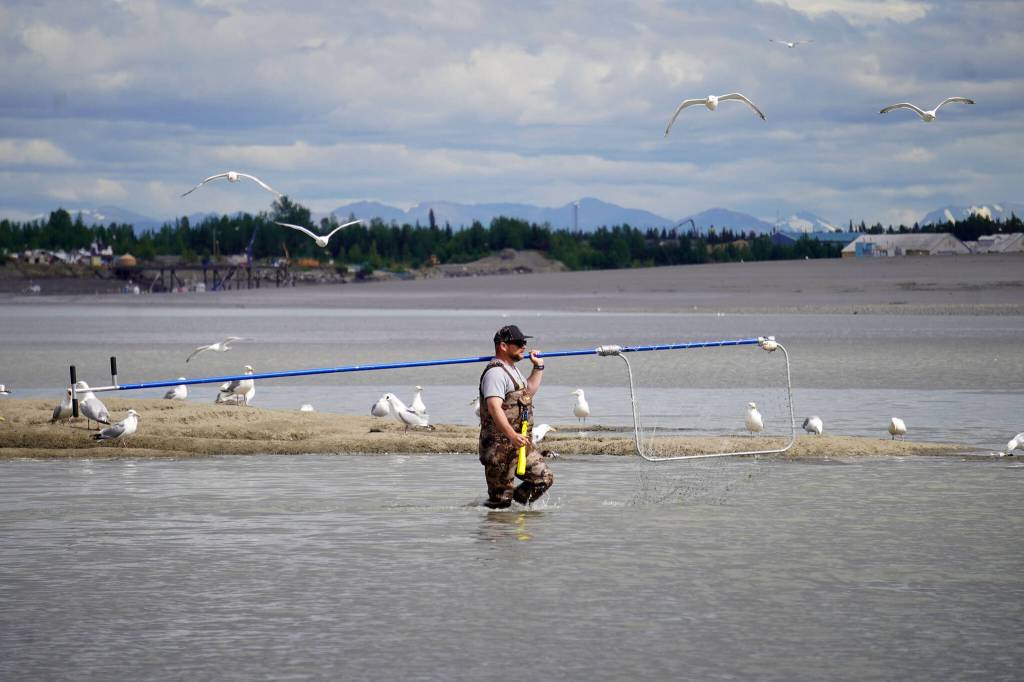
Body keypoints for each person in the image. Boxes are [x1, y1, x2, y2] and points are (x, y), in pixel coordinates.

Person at [478, 325, 554, 509]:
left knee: (543, 478)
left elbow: (527, 393)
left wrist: (539, 367)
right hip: (499, 448)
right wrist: (512, 435)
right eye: (519, 343)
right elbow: (494, 407)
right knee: (500, 503)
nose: (524, 347)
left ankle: (518, 511)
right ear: (503, 346)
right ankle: (498, 524)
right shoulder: (495, 373)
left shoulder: (512, 369)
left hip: (520, 444)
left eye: (525, 343)